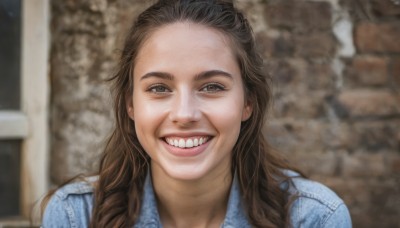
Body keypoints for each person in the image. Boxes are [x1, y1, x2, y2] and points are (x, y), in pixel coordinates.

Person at [42, 0, 352, 227]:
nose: (184, 114)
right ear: (130, 104)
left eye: (212, 87)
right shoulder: (75, 217)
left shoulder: (313, 218)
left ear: (248, 103)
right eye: (159, 88)